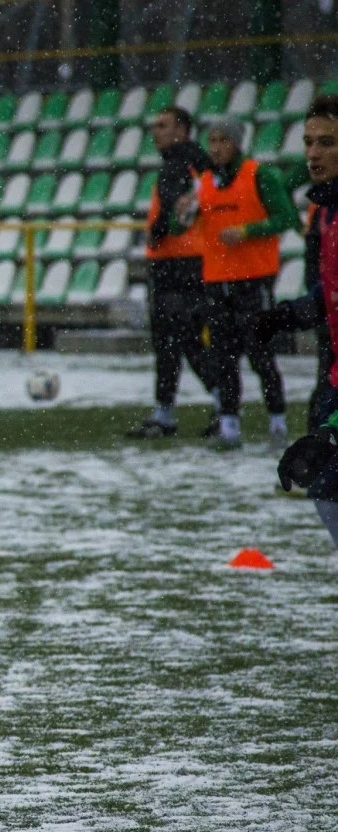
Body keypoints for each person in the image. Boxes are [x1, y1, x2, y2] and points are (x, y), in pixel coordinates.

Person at [255, 95, 338, 545]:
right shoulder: (326, 211)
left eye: (326, 142)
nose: (312, 153)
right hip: (335, 370)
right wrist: (282, 316)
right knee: (326, 490)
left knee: (328, 489)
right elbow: (330, 295)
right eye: (308, 142)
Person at [188, 117, 299, 449]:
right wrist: (180, 215)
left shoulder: (259, 174)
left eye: (223, 140)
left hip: (253, 279)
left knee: (260, 354)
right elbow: (183, 225)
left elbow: (287, 218)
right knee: (223, 356)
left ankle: (277, 421)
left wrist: (248, 231)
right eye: (212, 141)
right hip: (216, 280)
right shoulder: (204, 182)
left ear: (237, 143)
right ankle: (229, 426)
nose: (216, 148)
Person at [127, 106, 220, 439]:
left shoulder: (179, 162)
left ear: (182, 129)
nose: (157, 132)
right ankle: (200, 405)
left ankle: (208, 404)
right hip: (194, 260)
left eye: (163, 126)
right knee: (184, 338)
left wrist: (157, 229)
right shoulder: (199, 162)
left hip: (176, 262)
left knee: (176, 339)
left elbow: (173, 206)